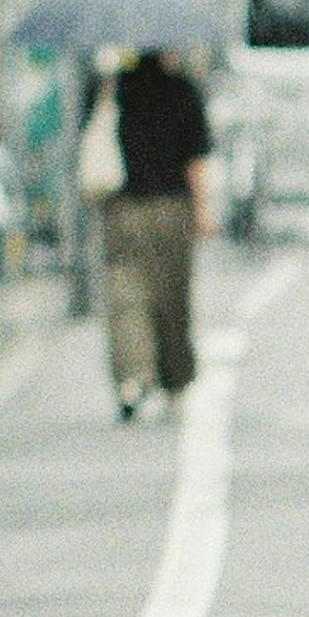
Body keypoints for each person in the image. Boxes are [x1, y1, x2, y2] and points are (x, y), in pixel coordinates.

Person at [98, 47, 214, 418]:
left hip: (123, 209)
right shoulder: (182, 90)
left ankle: (132, 379)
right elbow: (194, 159)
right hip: (171, 210)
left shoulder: (114, 89)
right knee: (171, 300)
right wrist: (202, 211)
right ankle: (174, 382)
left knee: (126, 295)